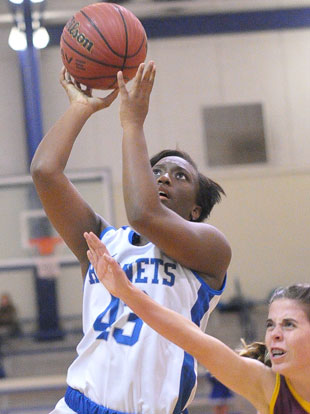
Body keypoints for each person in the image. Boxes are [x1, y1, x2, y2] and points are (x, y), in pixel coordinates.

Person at [30, 61, 231, 414]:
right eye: (154, 171)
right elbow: (45, 171)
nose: (164, 178)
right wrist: (81, 108)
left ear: (197, 210)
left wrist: (132, 123)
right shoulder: (101, 242)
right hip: (78, 406)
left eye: (180, 176)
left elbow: (144, 213)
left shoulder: (210, 250)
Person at [83, 232, 310, 414]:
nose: (275, 334)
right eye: (271, 325)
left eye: (289, 324)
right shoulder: (268, 387)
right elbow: (192, 339)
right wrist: (126, 291)